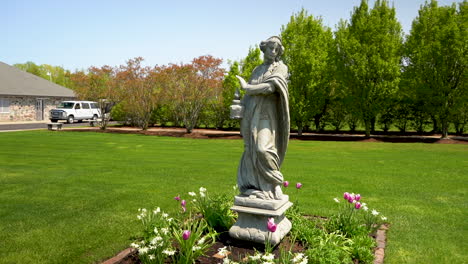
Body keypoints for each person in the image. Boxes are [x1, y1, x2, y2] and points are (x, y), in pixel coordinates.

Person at [235, 36, 290, 200]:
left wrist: (247, 87)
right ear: (264, 49)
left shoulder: (281, 68)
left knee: (263, 149)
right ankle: (253, 187)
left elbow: (270, 87)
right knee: (250, 150)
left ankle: (275, 183)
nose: (273, 52)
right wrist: (241, 107)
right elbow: (247, 96)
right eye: (270, 48)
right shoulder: (257, 70)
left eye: (276, 49)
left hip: (267, 115)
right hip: (252, 114)